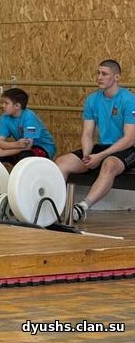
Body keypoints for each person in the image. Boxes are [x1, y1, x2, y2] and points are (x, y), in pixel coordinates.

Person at [56, 60, 135, 223]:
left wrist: (99, 156)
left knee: (109, 164)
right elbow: (87, 134)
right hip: (102, 147)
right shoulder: (92, 100)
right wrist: (87, 154)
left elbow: (129, 139)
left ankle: (82, 207)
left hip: (127, 148)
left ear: (117, 77)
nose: (99, 77)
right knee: (62, 162)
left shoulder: (129, 100)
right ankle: (55, 207)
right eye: (98, 73)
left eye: (104, 74)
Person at [0, 88, 56, 165]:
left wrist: (3, 152)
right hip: (21, 148)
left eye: (6, 103)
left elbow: (27, 146)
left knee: (24, 156)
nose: (3, 106)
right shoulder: (4, 118)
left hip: (43, 148)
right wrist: (16, 144)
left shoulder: (30, 117)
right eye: (3, 103)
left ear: (17, 106)